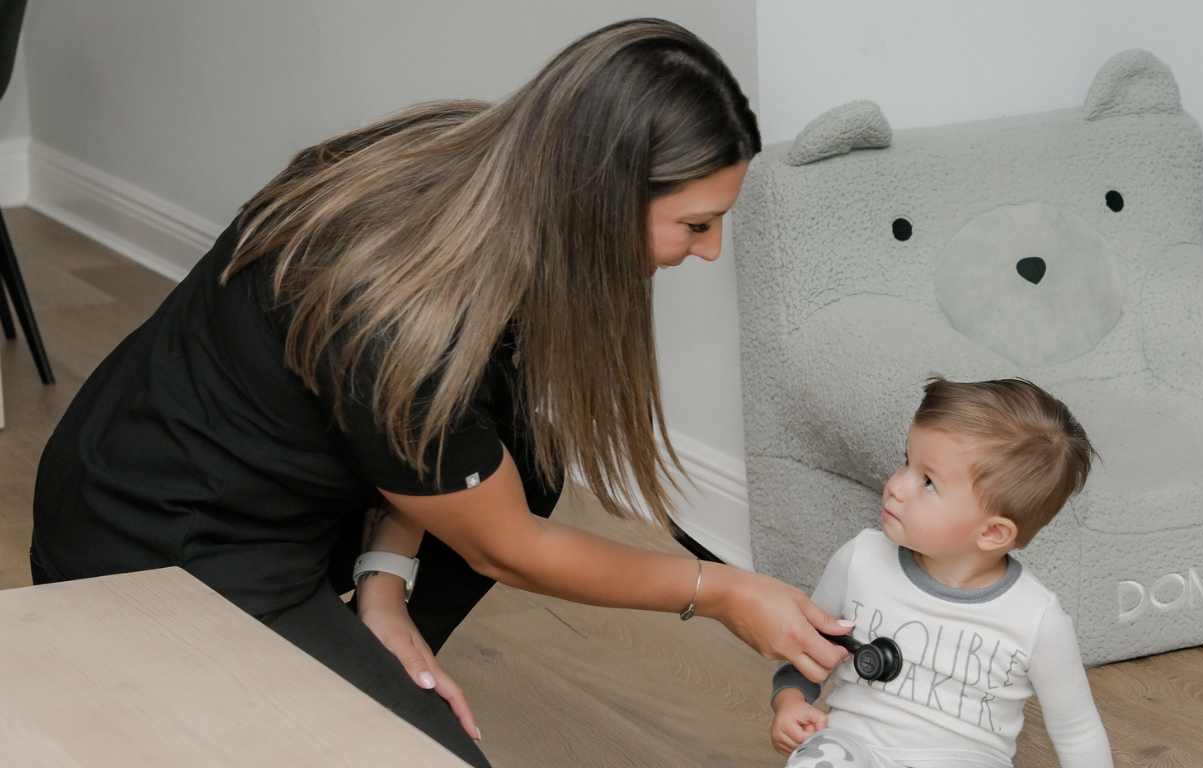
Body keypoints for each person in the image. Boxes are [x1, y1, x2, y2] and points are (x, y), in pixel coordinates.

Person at [28, 19, 853, 767]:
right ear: (601, 196)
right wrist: (722, 592)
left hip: (246, 481)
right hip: (158, 548)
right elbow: (506, 547)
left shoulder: (473, 171)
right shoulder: (396, 310)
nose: (706, 254)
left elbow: (418, 431)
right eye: (697, 224)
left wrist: (385, 588)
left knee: (526, 458)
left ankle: (357, 642)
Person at [770, 377, 1113, 768]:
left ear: (992, 532)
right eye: (906, 461)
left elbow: (1078, 730)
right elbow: (804, 653)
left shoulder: (1037, 621)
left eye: (928, 482)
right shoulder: (859, 560)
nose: (897, 486)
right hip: (854, 745)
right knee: (820, 760)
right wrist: (790, 703)